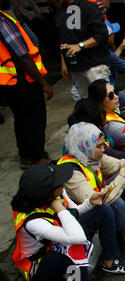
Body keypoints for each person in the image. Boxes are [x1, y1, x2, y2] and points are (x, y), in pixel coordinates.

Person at [11, 164, 103, 281]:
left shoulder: (47, 198)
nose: (63, 183)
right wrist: (61, 210)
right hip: (38, 270)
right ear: (49, 193)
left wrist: (90, 202)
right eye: (59, 183)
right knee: (71, 246)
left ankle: (107, 263)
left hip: (52, 249)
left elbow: (74, 213)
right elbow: (78, 237)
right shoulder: (33, 223)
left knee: (101, 210)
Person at [58, 122, 125, 239]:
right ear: (84, 146)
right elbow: (95, 200)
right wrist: (122, 177)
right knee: (115, 202)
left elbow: (116, 164)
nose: (103, 150)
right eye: (98, 146)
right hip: (85, 214)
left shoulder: (88, 155)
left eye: (103, 145)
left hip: (98, 199)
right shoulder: (70, 172)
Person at [0, 6, 53, 170]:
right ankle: (36, 158)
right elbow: (23, 56)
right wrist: (43, 83)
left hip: (10, 81)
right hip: (23, 80)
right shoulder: (2, 21)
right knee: (34, 119)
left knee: (22, 119)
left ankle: (26, 154)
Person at [55, 0, 110, 99]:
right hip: (76, 67)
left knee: (105, 100)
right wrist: (64, 62)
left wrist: (80, 46)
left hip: (94, 64)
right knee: (87, 102)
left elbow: (102, 35)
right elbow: (63, 39)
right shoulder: (61, 12)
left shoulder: (89, 7)